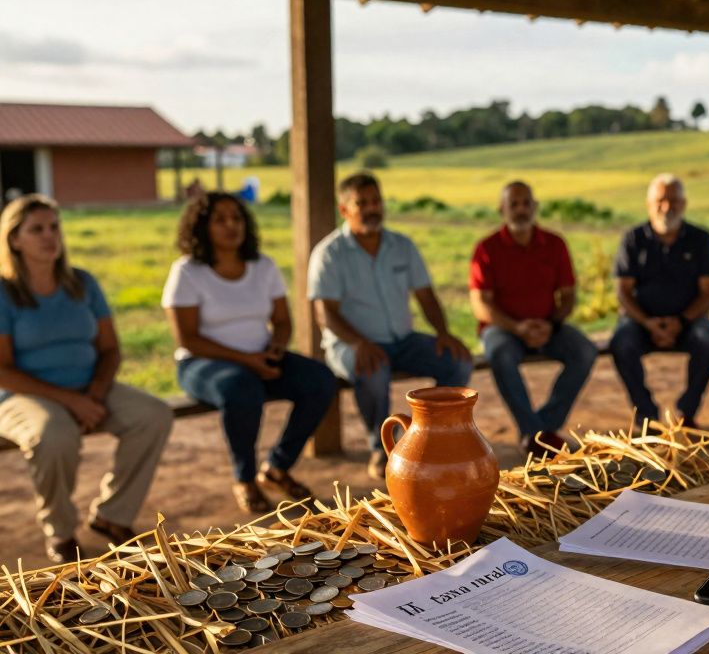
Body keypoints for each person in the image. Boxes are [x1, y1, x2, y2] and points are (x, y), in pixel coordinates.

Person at [0, 195, 172, 564]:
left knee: (154, 415)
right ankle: (60, 532)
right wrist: (71, 401)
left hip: (90, 386)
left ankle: (113, 516)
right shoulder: (4, 291)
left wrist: (94, 392)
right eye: (37, 229)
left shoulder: (82, 282)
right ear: (14, 239)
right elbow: (3, 369)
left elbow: (110, 349)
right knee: (54, 435)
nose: (50, 236)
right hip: (22, 394)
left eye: (54, 227)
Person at [163, 193, 338, 513]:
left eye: (237, 218)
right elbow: (188, 339)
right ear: (201, 227)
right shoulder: (187, 271)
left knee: (320, 379)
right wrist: (249, 361)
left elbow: (282, 322)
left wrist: (275, 349)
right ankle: (244, 478)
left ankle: (277, 468)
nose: (231, 225)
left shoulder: (263, 265)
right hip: (203, 364)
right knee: (241, 387)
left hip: (260, 357)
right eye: (220, 219)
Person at [308, 173, 472, 479]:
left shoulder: (402, 246)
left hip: (403, 340)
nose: (372, 208)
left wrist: (443, 333)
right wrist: (359, 343)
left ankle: (426, 437)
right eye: (362, 203)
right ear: (344, 210)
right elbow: (324, 314)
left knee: (458, 362)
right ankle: (380, 447)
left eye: (376, 201)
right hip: (350, 344)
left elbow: (426, 296)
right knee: (373, 371)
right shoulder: (329, 253)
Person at [470, 181, 596, 455]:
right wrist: (518, 328)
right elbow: (481, 305)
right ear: (502, 209)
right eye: (513, 204)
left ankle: (539, 430)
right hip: (503, 328)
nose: (521, 210)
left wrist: (550, 324)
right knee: (500, 353)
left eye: (526, 203)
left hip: (547, 325)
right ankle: (536, 434)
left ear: (535, 207)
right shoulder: (487, 248)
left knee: (585, 351)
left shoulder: (554, 243)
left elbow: (568, 295)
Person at [610, 174, 709, 428]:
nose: (667, 206)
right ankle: (646, 414)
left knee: (708, 340)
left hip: (689, 321)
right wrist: (648, 323)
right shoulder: (633, 239)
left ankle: (686, 412)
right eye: (660, 200)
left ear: (684, 204)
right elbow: (623, 292)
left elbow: (708, 293)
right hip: (641, 321)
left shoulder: (701, 239)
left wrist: (680, 322)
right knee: (621, 342)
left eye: (673, 200)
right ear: (649, 204)